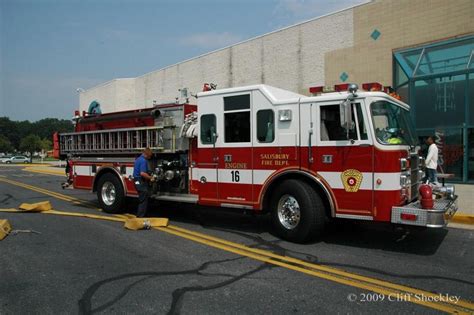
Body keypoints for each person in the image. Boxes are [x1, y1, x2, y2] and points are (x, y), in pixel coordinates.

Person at [133, 148, 154, 217]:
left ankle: (141, 214)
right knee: (143, 198)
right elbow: (142, 173)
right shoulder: (143, 161)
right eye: (149, 156)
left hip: (136, 181)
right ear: (146, 155)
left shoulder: (138, 159)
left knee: (142, 197)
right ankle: (140, 216)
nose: (149, 158)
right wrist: (150, 178)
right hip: (140, 181)